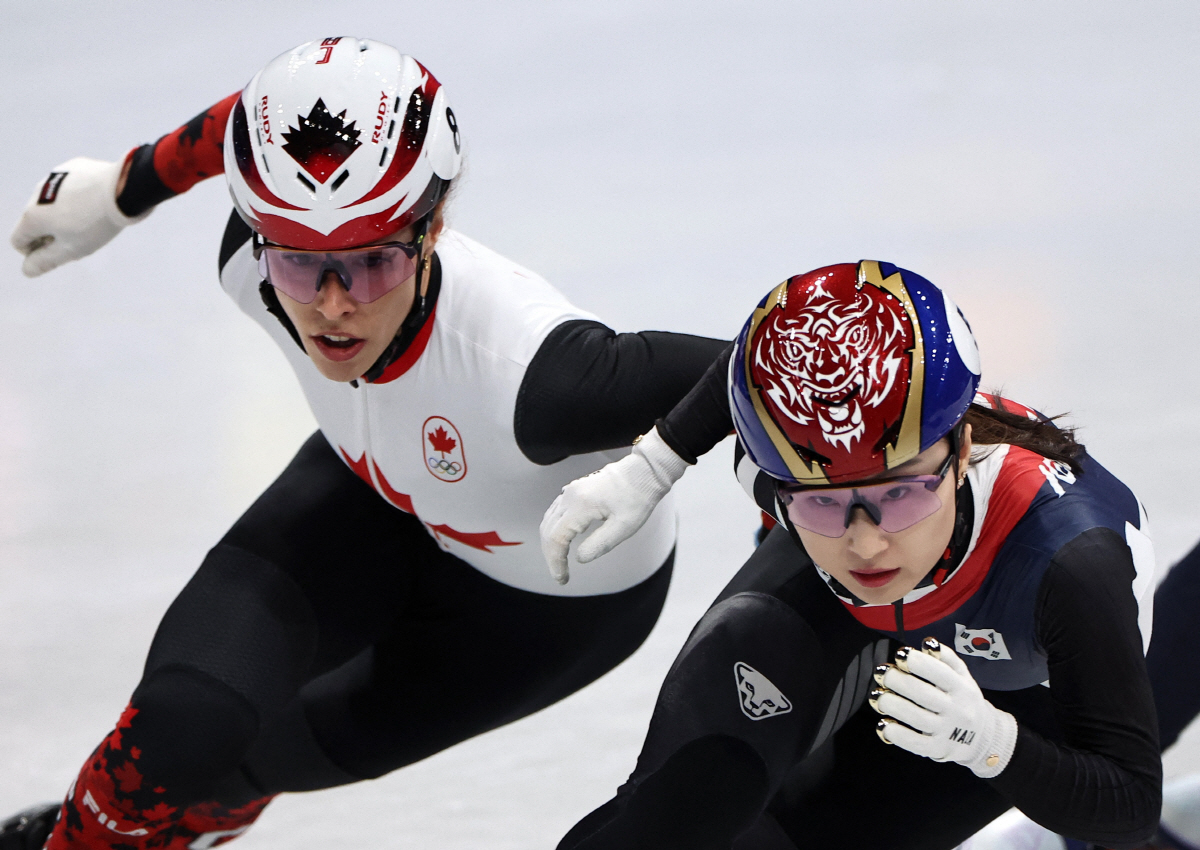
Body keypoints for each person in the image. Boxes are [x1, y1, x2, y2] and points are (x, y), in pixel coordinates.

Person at [1, 37, 728, 850]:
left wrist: (686, 470)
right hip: (373, 494)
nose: (334, 306)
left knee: (260, 757)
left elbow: (780, 367)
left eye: (373, 263)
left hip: (549, 608)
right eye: (303, 267)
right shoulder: (249, 257)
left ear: (432, 229)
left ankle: (209, 817)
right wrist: (125, 189)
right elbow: (246, 121)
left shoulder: (537, 375)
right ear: (258, 234)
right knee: (179, 722)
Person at [541, 260, 1164, 849]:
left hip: (1003, 686)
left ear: (962, 446)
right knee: (671, 819)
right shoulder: (781, 459)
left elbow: (1130, 806)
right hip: (829, 610)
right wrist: (654, 464)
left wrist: (990, 741)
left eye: (899, 493)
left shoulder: (1070, 566)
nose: (865, 544)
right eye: (821, 503)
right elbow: (754, 367)